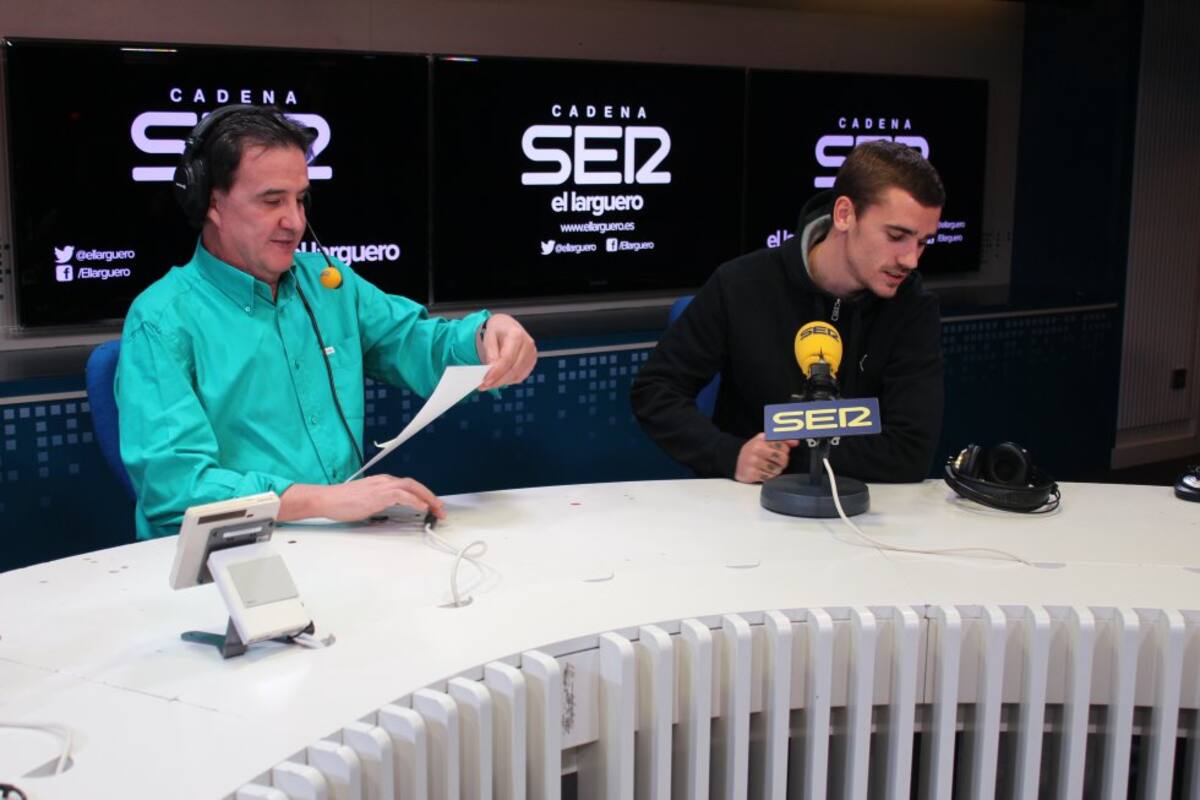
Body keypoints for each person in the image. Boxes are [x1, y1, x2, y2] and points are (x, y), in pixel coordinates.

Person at [116, 105, 536, 540]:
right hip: (231, 557)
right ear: (211, 202)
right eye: (272, 201)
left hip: (343, 543)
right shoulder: (161, 321)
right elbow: (176, 487)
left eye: (300, 200)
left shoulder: (329, 284)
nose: (296, 222)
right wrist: (322, 501)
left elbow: (417, 345)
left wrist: (487, 339)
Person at [631, 140, 944, 485]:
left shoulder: (913, 308)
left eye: (922, 242)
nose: (911, 260)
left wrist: (786, 458)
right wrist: (730, 454)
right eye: (896, 236)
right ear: (844, 214)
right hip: (749, 501)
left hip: (863, 504)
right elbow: (656, 390)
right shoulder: (741, 285)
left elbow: (911, 452)